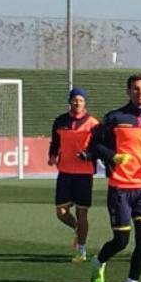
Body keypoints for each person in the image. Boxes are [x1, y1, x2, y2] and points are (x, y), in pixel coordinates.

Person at [87, 74, 141, 282]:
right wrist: (113, 156)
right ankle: (99, 262)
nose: (140, 92)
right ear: (128, 92)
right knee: (121, 240)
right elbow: (94, 145)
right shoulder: (115, 117)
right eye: (135, 88)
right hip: (120, 187)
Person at [48, 87, 99, 262]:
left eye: (81, 100)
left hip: (84, 174)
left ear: (85, 102)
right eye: (75, 99)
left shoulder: (93, 123)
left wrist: (89, 155)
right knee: (61, 212)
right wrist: (52, 156)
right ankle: (78, 228)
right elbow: (55, 142)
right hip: (65, 172)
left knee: (82, 213)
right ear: (70, 101)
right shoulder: (60, 121)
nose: (78, 103)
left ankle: (81, 250)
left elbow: (97, 147)